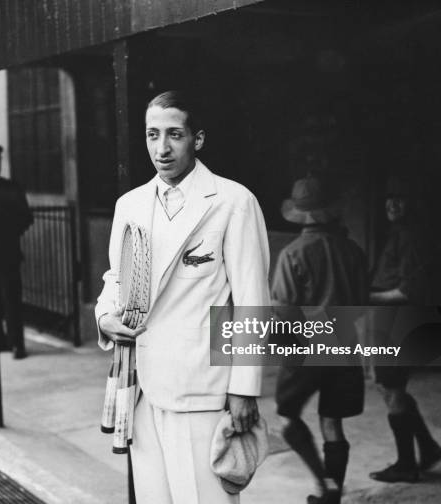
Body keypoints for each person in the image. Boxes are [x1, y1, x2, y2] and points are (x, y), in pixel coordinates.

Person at [95, 90, 270, 504]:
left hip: (202, 386)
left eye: (174, 134)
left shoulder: (232, 201)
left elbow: (253, 301)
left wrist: (244, 388)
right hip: (141, 385)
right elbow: (115, 278)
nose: (162, 147)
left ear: (198, 139)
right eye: (152, 134)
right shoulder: (130, 204)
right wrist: (104, 317)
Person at [271, 175, 367, 504]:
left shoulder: (292, 254)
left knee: (287, 416)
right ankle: (333, 495)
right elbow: (361, 304)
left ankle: (323, 481)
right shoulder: (354, 251)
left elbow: (284, 312)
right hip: (344, 343)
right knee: (333, 423)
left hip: (307, 348)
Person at [368, 177, 441, 483]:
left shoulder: (410, 237)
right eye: (389, 198)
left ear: (413, 204)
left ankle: (406, 465)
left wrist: (364, 296)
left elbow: (409, 291)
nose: (392, 204)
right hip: (391, 319)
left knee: (393, 392)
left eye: (400, 199)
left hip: (398, 320)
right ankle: (427, 449)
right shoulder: (398, 233)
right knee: (391, 389)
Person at [0, 144, 33, 359]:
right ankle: (14, 343)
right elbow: (26, 218)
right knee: (10, 299)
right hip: (8, 249)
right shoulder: (11, 188)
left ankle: (5, 341)